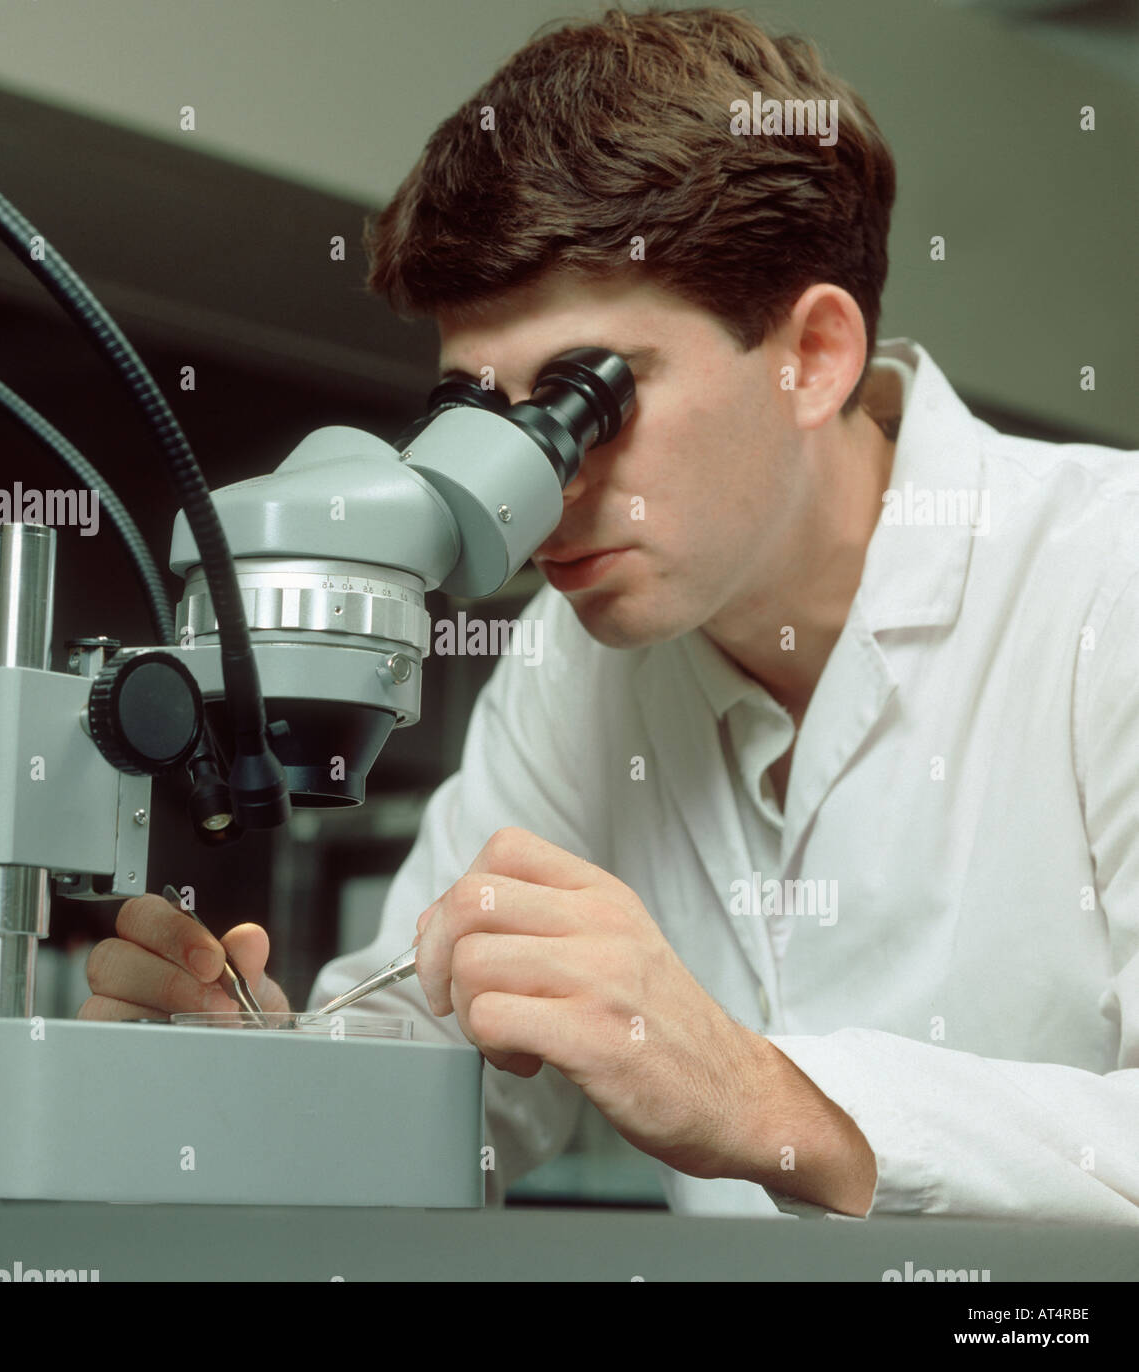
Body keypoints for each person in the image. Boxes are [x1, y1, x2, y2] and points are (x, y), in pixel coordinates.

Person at [80, 8, 1139, 1222]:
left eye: (587, 398)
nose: (539, 486)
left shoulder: (1107, 579)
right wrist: (255, 1077)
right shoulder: (570, 663)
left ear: (816, 355)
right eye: (480, 408)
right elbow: (458, 1089)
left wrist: (768, 1098)